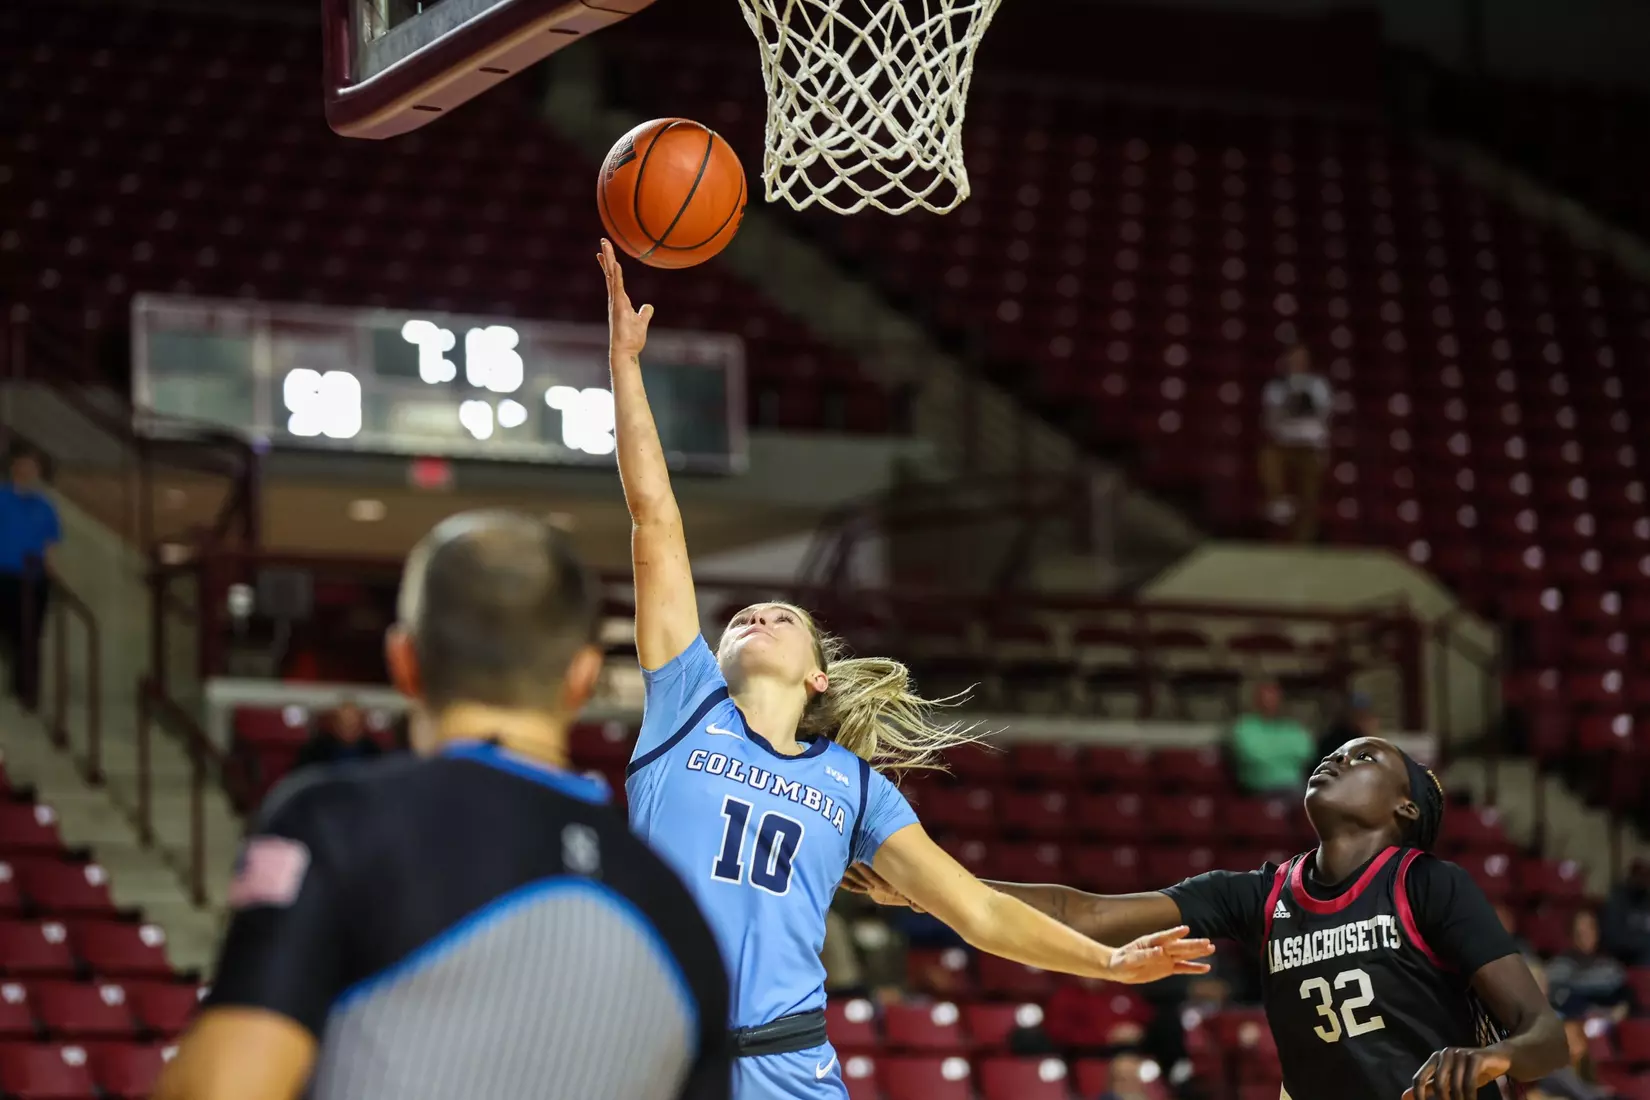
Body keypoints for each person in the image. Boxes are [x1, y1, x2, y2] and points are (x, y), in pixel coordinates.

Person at [597, 239, 1213, 1100]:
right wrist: (627, 368)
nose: (758, 616)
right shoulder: (685, 703)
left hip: (786, 1062)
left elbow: (978, 910)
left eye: (782, 616)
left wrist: (1105, 962)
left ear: (818, 677)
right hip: (654, 1048)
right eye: (743, 616)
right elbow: (655, 520)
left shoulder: (854, 786)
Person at [154, 511, 733, 1100]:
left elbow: (220, 1089)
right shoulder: (677, 910)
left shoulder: (337, 826)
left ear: (403, 661)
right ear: (583, 678)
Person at [849, 736, 1568, 1100]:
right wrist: (928, 889)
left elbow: (1547, 1037)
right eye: (1336, 751)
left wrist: (1494, 1059)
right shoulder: (1261, 894)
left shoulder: (1430, 885)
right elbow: (1085, 911)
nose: (1336, 758)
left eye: (1365, 757)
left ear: (1405, 806)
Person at [0, 445, 61, 710]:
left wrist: (50, 570)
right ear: (13, 468)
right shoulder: (2, 498)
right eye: (23, 466)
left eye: (32, 467)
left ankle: (27, 691)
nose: (27, 471)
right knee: (9, 633)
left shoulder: (45, 506)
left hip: (33, 580)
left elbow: (49, 544)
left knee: (30, 635)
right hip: (4, 576)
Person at [1259, 343, 1332, 541]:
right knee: (1268, 459)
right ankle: (1279, 500)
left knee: (1309, 497)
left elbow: (1325, 418)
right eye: (1294, 358)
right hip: (1283, 444)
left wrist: (1323, 447)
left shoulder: (1319, 386)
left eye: (1301, 358)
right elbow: (1270, 419)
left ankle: (1303, 540)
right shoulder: (1276, 387)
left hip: (1310, 447)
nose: (1297, 362)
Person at [1231, 679, 1316, 795]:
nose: (1271, 700)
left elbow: (1307, 753)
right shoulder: (1244, 727)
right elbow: (1254, 756)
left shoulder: (1292, 727)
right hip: (1259, 790)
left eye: (1274, 696)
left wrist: (1271, 750)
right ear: (1255, 700)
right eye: (1266, 696)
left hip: (1296, 787)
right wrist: (1287, 753)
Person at [1546, 909, 1629, 1018]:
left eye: (1590, 929)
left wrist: (1620, 1010)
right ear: (1571, 934)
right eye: (1580, 932)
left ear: (1598, 932)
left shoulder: (1612, 968)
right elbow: (1558, 1000)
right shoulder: (1558, 967)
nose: (1585, 936)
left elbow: (1623, 999)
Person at [293, 700, 384, 771]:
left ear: (361, 725)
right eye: (344, 723)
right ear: (335, 725)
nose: (349, 728)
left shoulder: (374, 753)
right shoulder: (315, 751)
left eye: (353, 724)